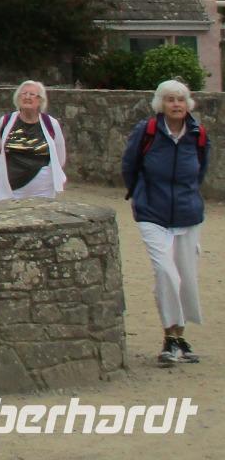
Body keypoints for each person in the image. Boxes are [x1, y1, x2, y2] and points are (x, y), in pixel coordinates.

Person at [122, 79, 210, 365]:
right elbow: (129, 165)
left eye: (181, 99)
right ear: (161, 104)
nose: (176, 104)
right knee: (165, 273)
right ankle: (169, 336)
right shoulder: (146, 131)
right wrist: (140, 194)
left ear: (188, 104)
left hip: (187, 214)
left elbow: (201, 170)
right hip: (153, 213)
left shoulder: (197, 134)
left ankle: (178, 337)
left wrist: (188, 195)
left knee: (185, 278)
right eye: (170, 99)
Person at [0, 80, 67, 201]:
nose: (27, 97)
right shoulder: (5, 121)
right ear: (18, 98)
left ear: (40, 100)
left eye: (32, 94)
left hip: (43, 191)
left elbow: (60, 156)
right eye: (24, 93)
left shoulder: (51, 124)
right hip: (11, 190)